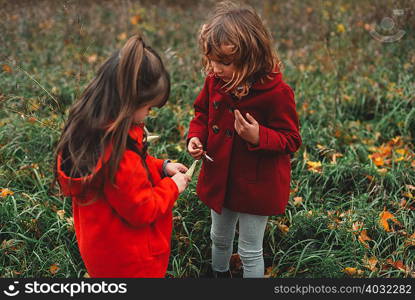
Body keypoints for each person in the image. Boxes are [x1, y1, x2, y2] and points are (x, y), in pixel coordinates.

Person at [54, 35, 190, 278]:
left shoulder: (94, 132)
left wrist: (162, 167)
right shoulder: (119, 151)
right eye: (148, 108)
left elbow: (133, 171)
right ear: (130, 101)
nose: (148, 115)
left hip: (102, 250)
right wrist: (172, 187)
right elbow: (142, 208)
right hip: (131, 260)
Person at [187, 1, 302, 278]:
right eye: (211, 60)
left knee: (251, 249)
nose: (214, 68)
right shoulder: (215, 82)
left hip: (256, 183)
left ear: (251, 58)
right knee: (219, 236)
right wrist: (196, 136)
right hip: (220, 177)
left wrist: (258, 135)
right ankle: (219, 274)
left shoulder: (276, 93)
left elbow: (290, 139)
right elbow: (202, 112)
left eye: (224, 62)